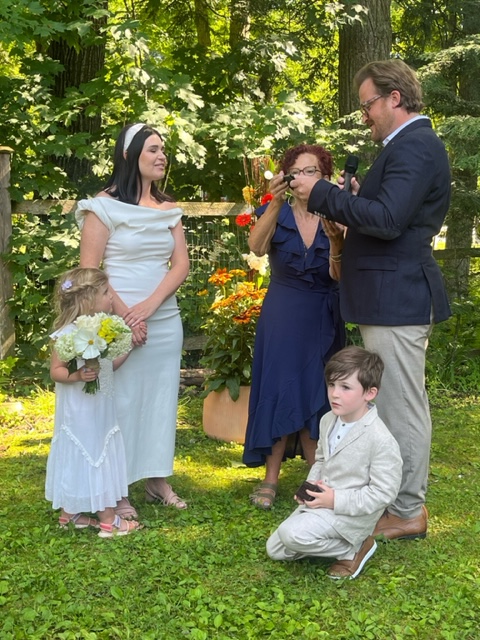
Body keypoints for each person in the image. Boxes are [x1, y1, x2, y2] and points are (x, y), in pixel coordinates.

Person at [291, 59, 451, 539]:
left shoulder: (417, 146)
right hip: (386, 296)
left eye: (368, 104)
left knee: (402, 406)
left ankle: (407, 511)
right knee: (393, 405)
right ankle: (394, 500)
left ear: (394, 98)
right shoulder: (402, 149)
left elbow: (386, 221)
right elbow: (382, 211)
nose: (365, 115)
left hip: (398, 296)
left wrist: (321, 192)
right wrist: (355, 197)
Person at [76, 123, 190, 514]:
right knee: (115, 399)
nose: (162, 156)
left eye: (163, 149)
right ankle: (116, 485)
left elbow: (180, 265)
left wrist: (149, 308)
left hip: (163, 318)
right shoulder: (102, 206)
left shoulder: (169, 208)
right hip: (113, 320)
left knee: (160, 399)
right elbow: (90, 272)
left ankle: (157, 478)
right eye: (152, 150)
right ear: (129, 156)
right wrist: (127, 316)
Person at [242, 144, 346, 509]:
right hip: (282, 312)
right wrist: (272, 203)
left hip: (322, 313)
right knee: (279, 385)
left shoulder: (338, 215)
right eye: (296, 172)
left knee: (318, 392)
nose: (303, 178)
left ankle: (316, 478)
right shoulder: (275, 211)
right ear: (285, 178)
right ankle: (270, 479)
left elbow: (339, 274)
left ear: (325, 178)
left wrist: (336, 241)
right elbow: (256, 246)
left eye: (312, 171)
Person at [266, 346, 402, 579]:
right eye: (332, 385)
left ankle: (356, 547)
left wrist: (334, 500)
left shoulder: (380, 439)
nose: (334, 394)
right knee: (275, 549)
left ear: (369, 393)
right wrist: (310, 489)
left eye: (345, 387)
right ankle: (334, 542)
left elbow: (383, 494)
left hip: (350, 514)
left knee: (291, 535)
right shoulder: (329, 420)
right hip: (323, 504)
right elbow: (321, 460)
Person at [45, 267, 142, 537]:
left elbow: (108, 366)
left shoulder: (104, 330)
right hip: (80, 411)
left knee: (96, 450)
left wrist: (129, 347)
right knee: (92, 452)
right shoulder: (66, 334)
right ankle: (109, 520)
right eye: (106, 293)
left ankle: (71, 513)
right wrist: (77, 375)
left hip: (102, 406)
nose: (112, 297)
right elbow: (56, 371)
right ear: (88, 300)